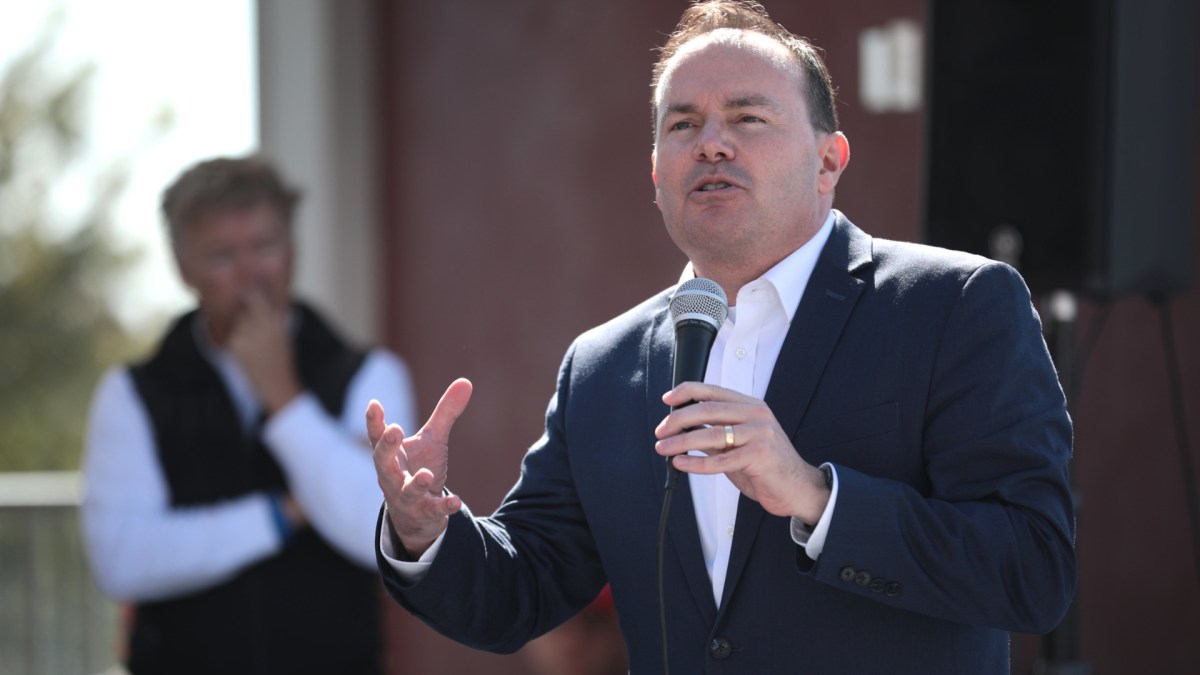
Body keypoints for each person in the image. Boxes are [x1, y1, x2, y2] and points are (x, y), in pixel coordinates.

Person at [367, 1, 1076, 673]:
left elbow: (1032, 569)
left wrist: (815, 496)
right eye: (683, 124)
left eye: (748, 117)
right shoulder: (605, 367)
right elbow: (521, 586)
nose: (711, 142)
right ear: (655, 175)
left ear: (829, 162)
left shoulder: (954, 307)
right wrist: (425, 532)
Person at [80, 155, 417, 674]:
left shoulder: (370, 374)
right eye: (221, 255)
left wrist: (284, 399)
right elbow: (122, 561)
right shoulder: (133, 393)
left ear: (293, 249)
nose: (250, 274)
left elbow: (380, 533)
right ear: (183, 267)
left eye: (264, 246)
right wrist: (283, 513)